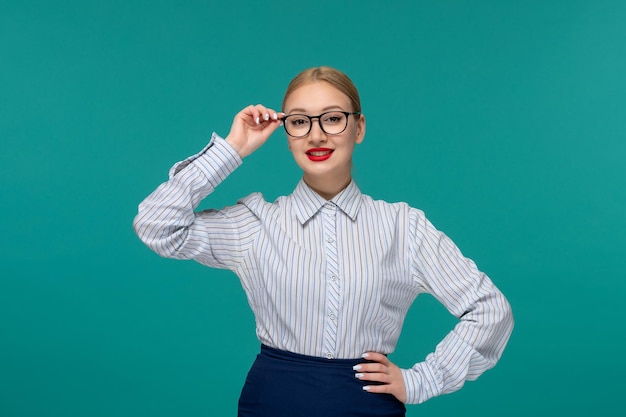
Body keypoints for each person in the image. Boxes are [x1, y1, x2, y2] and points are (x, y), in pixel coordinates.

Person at [133, 66, 514, 417]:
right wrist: (232, 149)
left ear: (359, 127)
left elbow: (489, 309)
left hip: (368, 405)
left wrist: (422, 380)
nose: (316, 135)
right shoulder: (255, 223)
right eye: (299, 122)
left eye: (333, 119)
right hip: (272, 402)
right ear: (286, 134)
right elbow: (156, 225)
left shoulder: (404, 227)